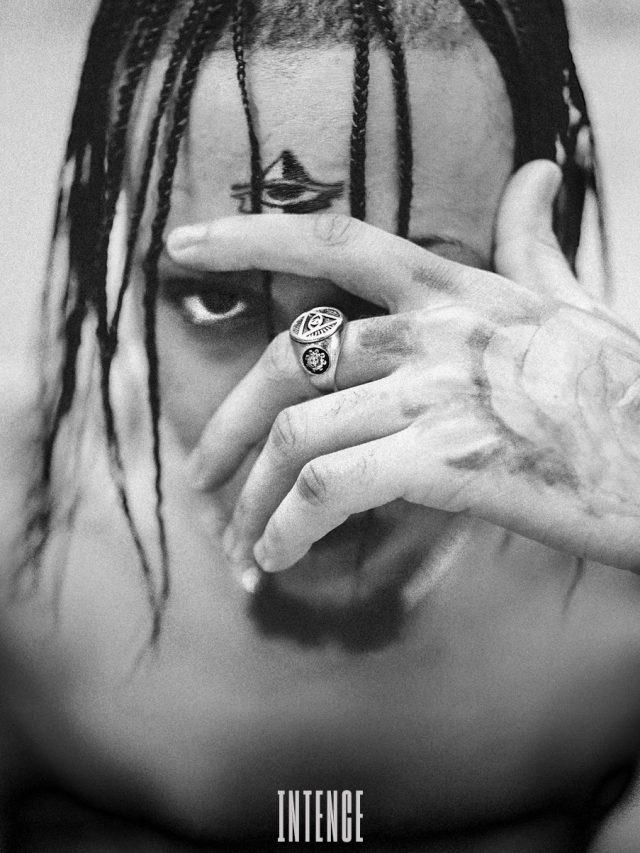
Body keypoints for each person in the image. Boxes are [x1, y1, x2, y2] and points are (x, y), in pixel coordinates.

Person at [1, 0, 640, 850]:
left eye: (391, 296)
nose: (307, 429)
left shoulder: (624, 569)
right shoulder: (19, 549)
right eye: (217, 300)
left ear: (542, 237)